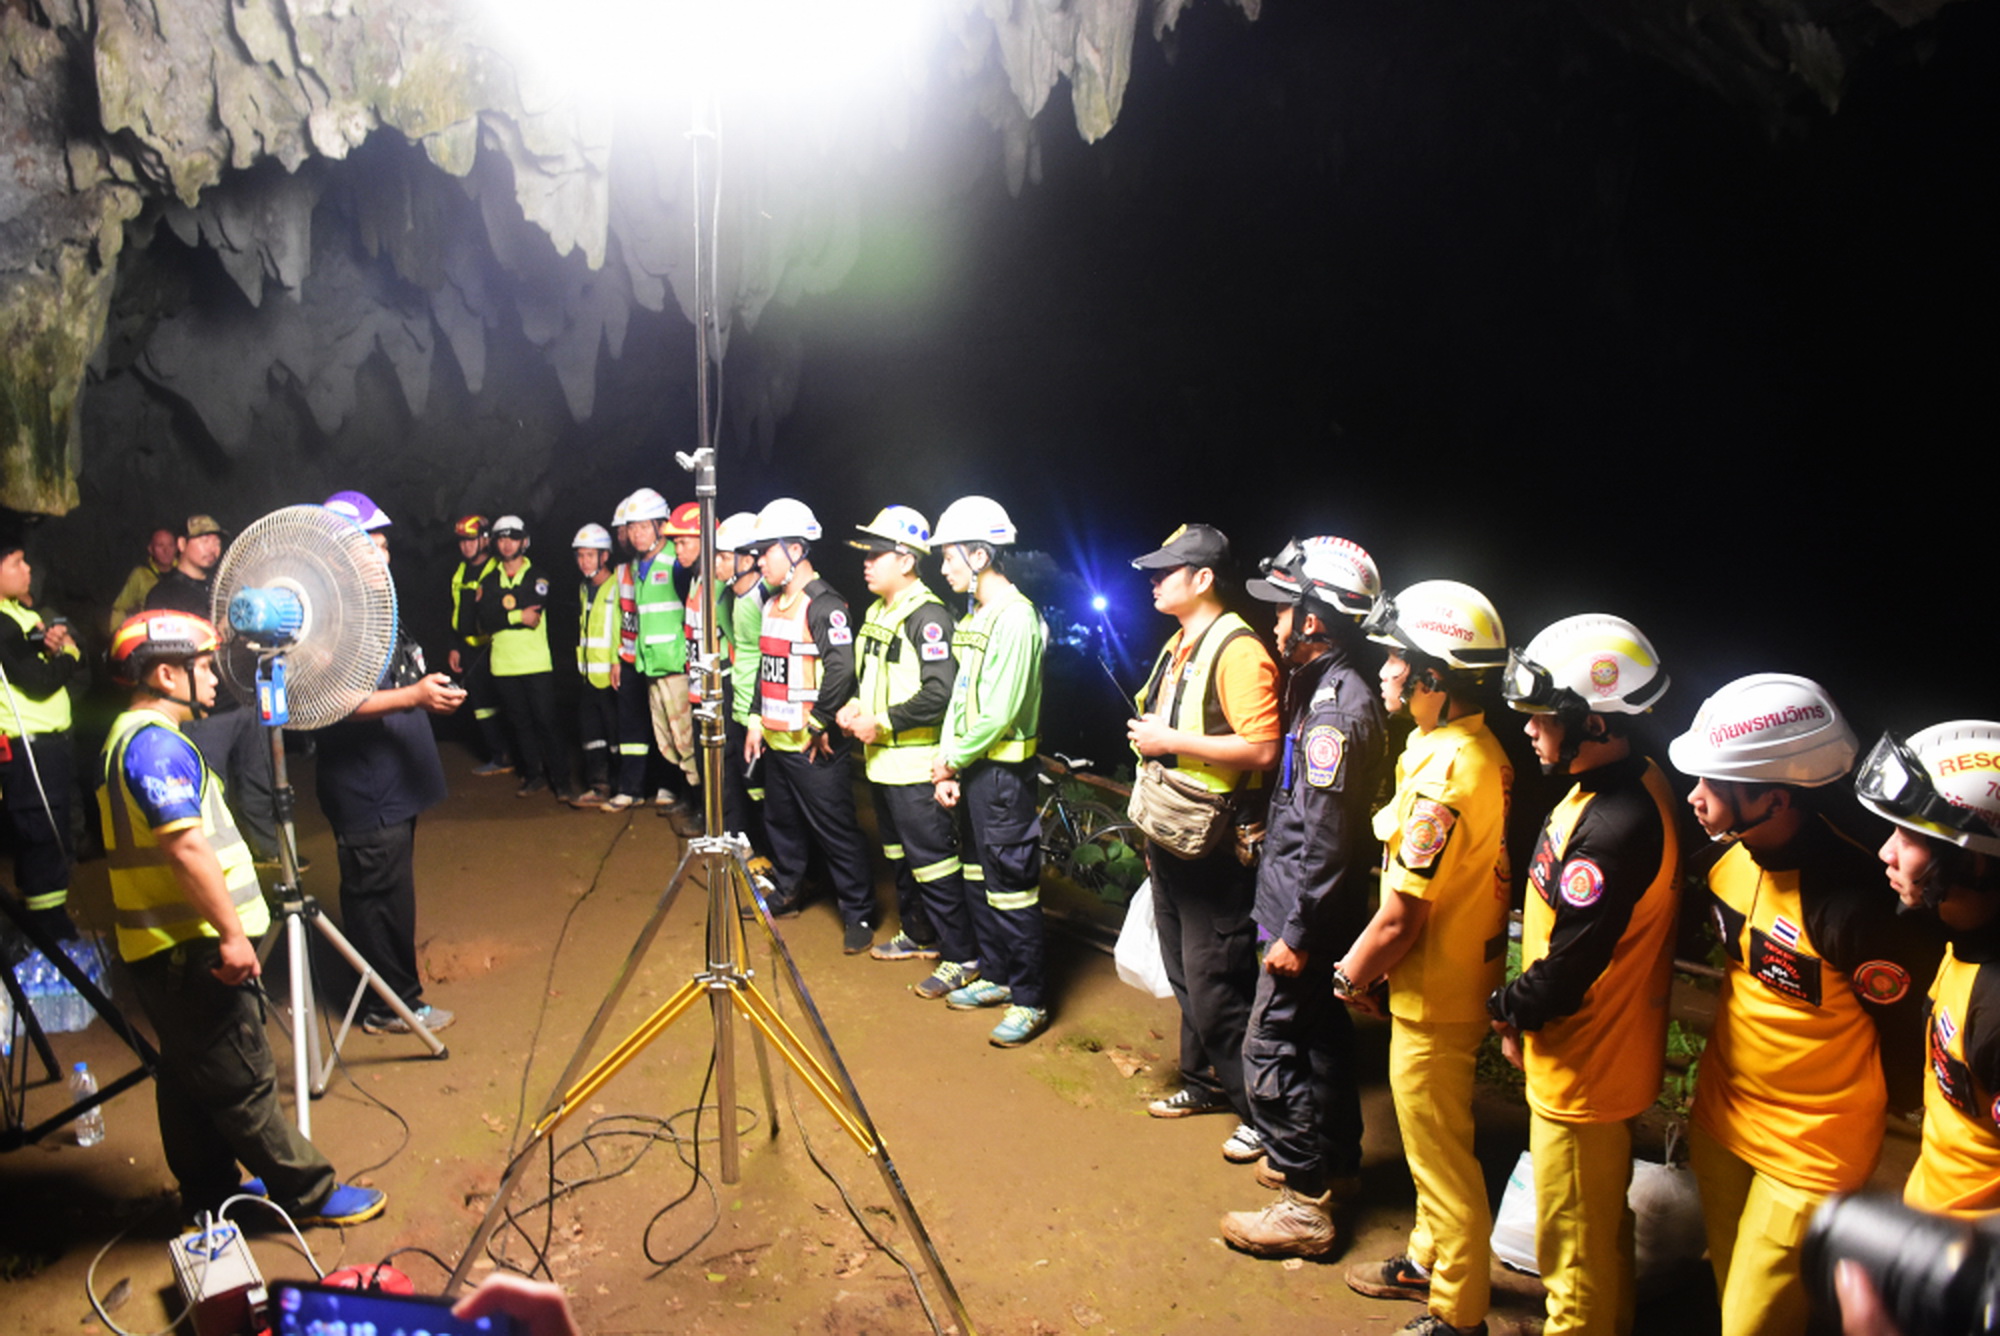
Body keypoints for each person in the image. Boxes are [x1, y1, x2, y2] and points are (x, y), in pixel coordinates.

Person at [1669, 674, 1936, 1336]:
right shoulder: (1726, 862)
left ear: (1775, 797)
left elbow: (1910, 1040)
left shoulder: (1856, 908)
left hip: (1812, 1153)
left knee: (1751, 1323)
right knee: (1733, 1294)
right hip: (1720, 1122)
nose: (1695, 798)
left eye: (1714, 785)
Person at [100, 609, 384, 1226]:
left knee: (185, 1076)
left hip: (161, 950)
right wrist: (232, 936)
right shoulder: (153, 747)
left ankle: (208, 1193)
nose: (212, 679)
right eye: (202, 667)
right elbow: (185, 846)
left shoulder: (132, 737)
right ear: (166, 675)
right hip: (191, 950)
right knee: (243, 1080)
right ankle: (309, 1193)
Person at [1487, 613, 1681, 1336]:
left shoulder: (1615, 822)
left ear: (1595, 722)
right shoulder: (1618, 783)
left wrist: (1504, 1005)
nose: (1530, 729)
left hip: (1586, 1066)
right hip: (1599, 1059)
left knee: (1572, 1256)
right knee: (1599, 1234)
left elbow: (1570, 968)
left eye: (1544, 717)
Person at [1337, 580, 1513, 1336]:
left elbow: (1403, 911)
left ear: (1435, 678)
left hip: (1435, 995)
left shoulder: (1448, 774)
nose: (1384, 673)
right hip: (1448, 979)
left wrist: (1349, 975)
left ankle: (1458, 1312)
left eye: (1398, 662)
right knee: (1437, 1142)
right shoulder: (1462, 747)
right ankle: (1423, 1261)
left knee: (1442, 1161)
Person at [1218, 536, 1387, 1259]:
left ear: (1318, 619)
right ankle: (1336, 1167)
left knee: (1268, 1047)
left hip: (1306, 916)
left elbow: (1326, 841)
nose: (1277, 624)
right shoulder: (1324, 689)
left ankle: (1305, 1203)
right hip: (1303, 906)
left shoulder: (1335, 714)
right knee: (1319, 1042)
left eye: (1287, 610)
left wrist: (1297, 931)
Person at [1127, 524, 1281, 1128]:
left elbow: (1264, 749)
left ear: (1204, 578)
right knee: (1185, 974)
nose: (1155, 580)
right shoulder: (1180, 642)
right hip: (1170, 829)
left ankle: (1263, 1121)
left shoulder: (1239, 650)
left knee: (1218, 985)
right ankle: (1202, 1082)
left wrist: (1170, 739)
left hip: (1216, 844)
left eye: (1167, 571)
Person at [314, 492, 464, 1036]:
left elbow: (396, 675)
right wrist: (415, 698)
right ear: (339, 553)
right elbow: (334, 702)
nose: (384, 557)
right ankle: (390, 1006)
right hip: (366, 788)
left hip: (391, 782)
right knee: (377, 897)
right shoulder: (327, 617)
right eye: (370, 546)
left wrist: (426, 691)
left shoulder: (371, 610)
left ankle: (396, 991)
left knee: (392, 893)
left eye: (384, 546)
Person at [1856, 719, 2000, 1216]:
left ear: (1975, 863)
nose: (1886, 852)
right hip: (1935, 1227)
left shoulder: (1996, 1005)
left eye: (1909, 835)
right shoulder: (1964, 944)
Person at [837, 507, 977, 981]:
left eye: (877, 554)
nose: (866, 562)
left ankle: (962, 956)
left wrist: (882, 723)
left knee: (934, 866)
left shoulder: (929, 617)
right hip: (881, 766)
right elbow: (873, 681)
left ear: (906, 561)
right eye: (866, 553)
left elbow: (940, 694)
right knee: (898, 859)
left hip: (916, 768)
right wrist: (856, 707)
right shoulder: (878, 612)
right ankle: (919, 934)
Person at [930, 496, 1049, 1043]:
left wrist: (952, 758)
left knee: (1013, 890)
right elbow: (961, 698)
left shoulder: (1016, 618)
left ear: (980, 554)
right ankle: (998, 976)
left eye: (951, 556)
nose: (945, 566)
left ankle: (1031, 999)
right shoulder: (975, 615)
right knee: (980, 878)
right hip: (974, 772)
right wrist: (950, 763)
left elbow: (999, 712)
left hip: (1002, 778)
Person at [743, 498, 879, 951]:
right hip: (779, 742)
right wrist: (756, 721)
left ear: (797, 549)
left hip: (814, 746)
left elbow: (842, 668)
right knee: (781, 822)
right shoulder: (770, 603)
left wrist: (820, 722)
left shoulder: (825, 605)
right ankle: (788, 890)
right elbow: (769, 667)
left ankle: (859, 913)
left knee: (836, 830)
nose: (759, 559)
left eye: (767, 550)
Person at [145, 514, 281, 864]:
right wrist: (217, 630)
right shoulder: (164, 593)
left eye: (216, 539)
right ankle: (215, 861)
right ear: (180, 545)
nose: (213, 546)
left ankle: (267, 851)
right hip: (205, 711)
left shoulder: (223, 586)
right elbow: (170, 651)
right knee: (210, 789)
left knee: (259, 781)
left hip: (243, 698)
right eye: (203, 538)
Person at [0, 530, 85, 939]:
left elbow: (30, 653)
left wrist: (49, 642)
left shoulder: (16, 612)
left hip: (47, 745)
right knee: (41, 836)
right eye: (16, 562)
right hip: (27, 748)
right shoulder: (0, 621)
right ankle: (46, 928)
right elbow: (36, 682)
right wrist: (67, 653)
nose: (27, 569)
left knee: (52, 834)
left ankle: (48, 917)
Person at [614, 488, 699, 830]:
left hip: (676, 666)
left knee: (687, 738)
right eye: (632, 527)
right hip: (650, 665)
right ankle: (684, 795)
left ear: (661, 526)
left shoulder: (676, 562)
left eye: (644, 527)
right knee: (666, 739)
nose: (637, 534)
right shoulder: (638, 566)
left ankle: (700, 807)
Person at [475, 515, 572, 801]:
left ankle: (562, 781)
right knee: (520, 724)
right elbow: (485, 618)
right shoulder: (489, 579)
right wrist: (516, 613)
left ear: (524, 541)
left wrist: (502, 612)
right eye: (502, 538)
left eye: (513, 537)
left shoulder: (538, 576)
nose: (507, 544)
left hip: (536, 663)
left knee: (547, 722)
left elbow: (535, 610)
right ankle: (533, 776)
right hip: (503, 664)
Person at [714, 510, 770, 856]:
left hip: (761, 709)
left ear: (748, 558)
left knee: (765, 788)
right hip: (740, 699)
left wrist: (758, 714)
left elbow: (770, 658)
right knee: (744, 781)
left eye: (723, 557)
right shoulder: (731, 596)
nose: (717, 564)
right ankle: (752, 849)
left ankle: (775, 860)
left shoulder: (766, 598)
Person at [447, 514, 511, 777]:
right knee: (481, 704)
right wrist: (455, 645)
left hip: (494, 646)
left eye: (471, 540)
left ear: (485, 540)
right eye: (462, 541)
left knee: (504, 700)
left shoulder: (496, 570)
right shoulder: (461, 571)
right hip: (469, 647)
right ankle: (498, 755)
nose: (465, 546)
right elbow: (456, 611)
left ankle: (515, 755)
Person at [569, 523, 619, 807]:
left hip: (611, 675)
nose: (584, 561)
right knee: (591, 734)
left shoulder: (615, 585)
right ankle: (598, 785)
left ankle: (621, 785)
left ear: (604, 556)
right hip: (589, 674)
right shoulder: (585, 589)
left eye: (590, 555)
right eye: (580, 556)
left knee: (615, 735)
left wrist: (616, 662)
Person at [108, 526, 178, 632]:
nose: (166, 551)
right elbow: (120, 608)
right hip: (149, 631)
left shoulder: (183, 570)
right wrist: (117, 634)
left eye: (171, 545)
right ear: (151, 549)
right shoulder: (141, 575)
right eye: (160, 545)